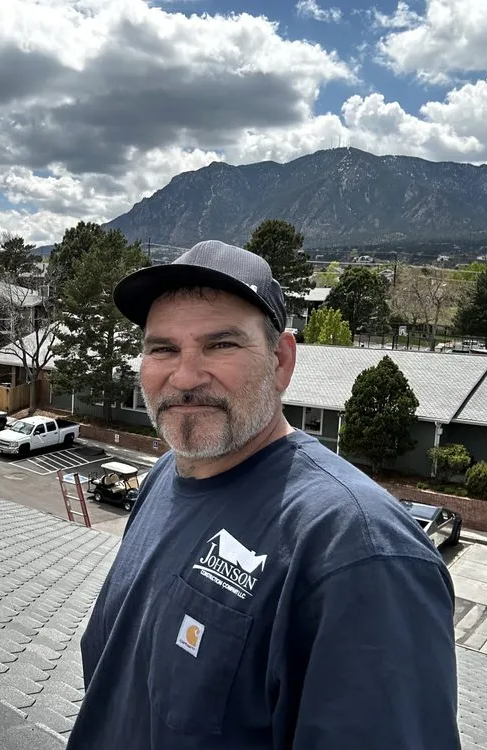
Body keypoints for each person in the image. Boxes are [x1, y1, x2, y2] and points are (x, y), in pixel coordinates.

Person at [66, 240, 460, 750]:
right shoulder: (165, 478)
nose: (184, 376)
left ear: (281, 360)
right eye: (162, 348)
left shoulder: (358, 552)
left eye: (221, 345)